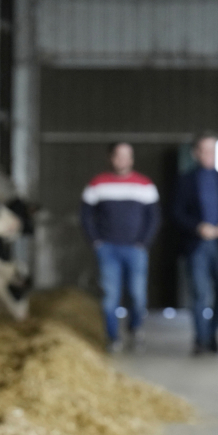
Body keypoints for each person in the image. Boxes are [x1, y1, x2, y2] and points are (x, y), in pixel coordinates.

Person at [81, 142, 160, 352]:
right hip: (108, 249)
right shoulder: (97, 184)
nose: (122, 160)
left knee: (137, 295)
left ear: (132, 159)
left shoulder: (144, 185)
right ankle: (113, 337)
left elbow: (153, 217)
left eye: (127, 156)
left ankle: (135, 329)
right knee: (110, 296)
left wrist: (144, 242)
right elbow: (85, 216)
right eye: (118, 155)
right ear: (111, 158)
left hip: (135, 249)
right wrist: (96, 241)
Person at [173, 134, 218, 355]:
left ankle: (212, 334)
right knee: (200, 293)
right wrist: (197, 227)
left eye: (213, 149)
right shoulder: (185, 180)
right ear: (196, 153)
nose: (209, 154)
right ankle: (200, 339)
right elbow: (176, 213)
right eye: (204, 150)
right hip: (197, 245)